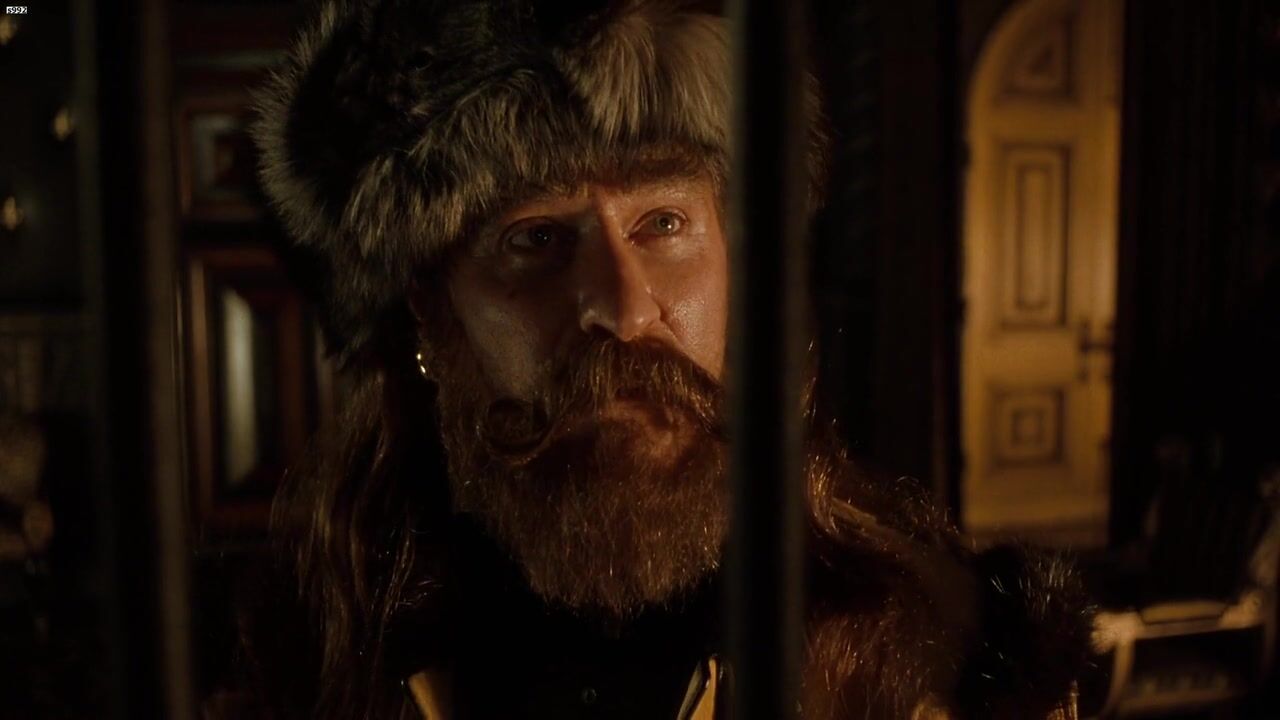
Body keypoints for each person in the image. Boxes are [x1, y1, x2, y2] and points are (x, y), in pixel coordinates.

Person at [244, 0, 1092, 717]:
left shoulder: (936, 654)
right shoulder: (326, 644)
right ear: (433, 311)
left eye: (663, 222)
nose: (624, 309)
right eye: (534, 238)